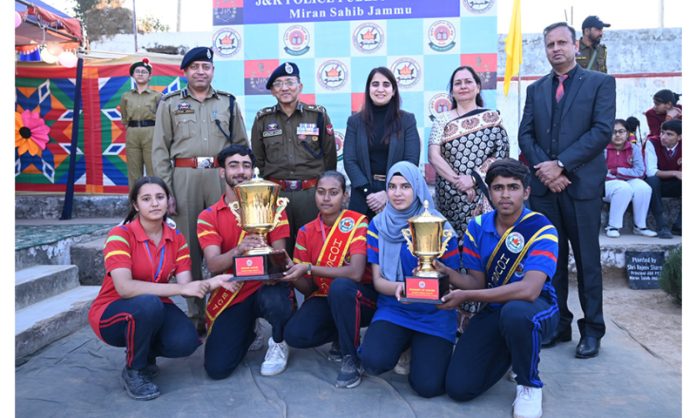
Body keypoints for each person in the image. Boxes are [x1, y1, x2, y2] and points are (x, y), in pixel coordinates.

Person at [518, 22, 616, 359]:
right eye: (549, 44)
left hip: (582, 188)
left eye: (562, 42)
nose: (556, 49)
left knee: (588, 262)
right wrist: (547, 170)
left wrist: (561, 164)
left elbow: (602, 131)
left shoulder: (600, 83)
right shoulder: (536, 90)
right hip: (547, 190)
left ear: (575, 45)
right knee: (552, 262)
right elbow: (525, 136)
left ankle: (592, 331)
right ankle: (558, 324)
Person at [88, 176, 234, 400]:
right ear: (136, 205)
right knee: (148, 305)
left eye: (159, 197)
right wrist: (179, 290)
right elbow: (125, 288)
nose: (155, 203)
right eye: (146, 199)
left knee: (187, 341)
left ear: (168, 201)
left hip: (154, 307)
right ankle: (134, 369)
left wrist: (211, 283)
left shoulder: (176, 239)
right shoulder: (120, 235)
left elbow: (187, 286)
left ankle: (143, 353)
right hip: (112, 312)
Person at [434, 159, 559, 418]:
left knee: (515, 314)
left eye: (512, 187)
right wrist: (448, 274)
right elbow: (477, 283)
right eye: (497, 187)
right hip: (495, 310)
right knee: (459, 388)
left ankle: (528, 382)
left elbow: (529, 291)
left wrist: (466, 296)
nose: (505, 195)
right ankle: (512, 352)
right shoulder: (477, 227)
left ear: (526, 192)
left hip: (537, 309)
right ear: (489, 192)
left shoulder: (542, 229)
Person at [152, 46, 248, 334]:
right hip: (185, 179)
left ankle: (230, 310)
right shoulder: (169, 104)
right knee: (189, 249)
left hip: (222, 178)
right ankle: (195, 317)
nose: (200, 71)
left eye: (206, 66)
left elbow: (241, 147)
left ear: (213, 71)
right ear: (185, 72)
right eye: (194, 67)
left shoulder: (228, 102)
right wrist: (166, 191)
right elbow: (159, 150)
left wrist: (241, 183)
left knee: (229, 242)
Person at [358, 161, 460, 398]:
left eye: (405, 186)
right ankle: (402, 345)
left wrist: (430, 284)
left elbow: (453, 281)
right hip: (395, 309)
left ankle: (420, 347)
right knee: (372, 362)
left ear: (417, 188)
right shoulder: (378, 225)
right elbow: (378, 281)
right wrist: (402, 288)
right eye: (392, 186)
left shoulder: (440, 226)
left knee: (428, 387)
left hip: (434, 313)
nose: (397, 193)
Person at [197, 144, 296, 379]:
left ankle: (279, 341)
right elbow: (213, 264)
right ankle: (249, 332)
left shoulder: (273, 206)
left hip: (265, 288)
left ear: (253, 171)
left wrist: (275, 268)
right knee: (217, 369)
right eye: (233, 165)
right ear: (222, 172)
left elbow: (279, 255)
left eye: (246, 165)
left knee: (277, 299)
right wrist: (238, 250)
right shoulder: (208, 216)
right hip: (233, 292)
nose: (240, 171)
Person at [282, 171, 377, 389]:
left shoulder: (357, 223)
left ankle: (350, 356)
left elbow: (355, 273)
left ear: (345, 196)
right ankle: (342, 333)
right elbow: (308, 288)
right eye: (321, 192)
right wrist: (291, 272)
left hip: (360, 297)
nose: (326, 198)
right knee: (295, 335)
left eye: (333, 193)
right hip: (324, 296)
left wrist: (309, 267)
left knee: (342, 288)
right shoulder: (306, 231)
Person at [251, 62, 337, 256]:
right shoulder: (263, 119)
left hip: (310, 193)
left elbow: (329, 156)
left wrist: (323, 190)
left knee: (313, 248)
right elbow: (258, 161)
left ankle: (313, 286)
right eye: (279, 84)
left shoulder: (317, 115)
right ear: (273, 91)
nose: (285, 88)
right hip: (277, 195)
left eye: (290, 82)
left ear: (300, 86)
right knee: (279, 252)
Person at [428, 65, 510, 242]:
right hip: (450, 194)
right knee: (451, 246)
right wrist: (459, 182)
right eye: (458, 83)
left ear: (478, 87)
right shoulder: (442, 119)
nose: (463, 86)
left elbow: (501, 154)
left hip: (483, 191)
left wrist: (473, 179)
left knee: (483, 243)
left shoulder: (492, 118)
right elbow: (433, 155)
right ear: (452, 91)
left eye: (468, 82)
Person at [344, 67, 420, 219]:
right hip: (362, 196)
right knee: (361, 242)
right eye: (375, 84)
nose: (380, 89)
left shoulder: (407, 120)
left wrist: (388, 192)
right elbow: (349, 160)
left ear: (393, 91)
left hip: (397, 196)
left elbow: (411, 161)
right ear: (368, 89)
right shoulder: (354, 122)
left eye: (386, 84)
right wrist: (369, 193)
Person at [603, 119, 657, 238]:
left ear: (627, 133)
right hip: (606, 185)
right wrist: (620, 175)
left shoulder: (633, 148)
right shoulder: (603, 148)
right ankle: (613, 226)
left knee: (644, 188)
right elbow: (600, 172)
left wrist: (617, 171)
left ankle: (640, 226)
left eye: (621, 131)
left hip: (626, 181)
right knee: (623, 188)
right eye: (614, 132)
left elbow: (640, 171)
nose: (617, 135)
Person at [120, 58, 159, 190]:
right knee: (134, 172)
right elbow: (124, 118)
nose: (141, 74)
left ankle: (156, 200)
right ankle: (135, 205)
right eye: (137, 71)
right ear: (133, 75)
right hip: (132, 133)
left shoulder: (157, 96)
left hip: (151, 132)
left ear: (150, 76)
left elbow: (162, 118)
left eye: (144, 71)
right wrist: (132, 129)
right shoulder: (126, 96)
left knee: (153, 169)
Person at [645, 119, 682, 238]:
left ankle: (680, 225)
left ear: (680, 137)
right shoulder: (652, 142)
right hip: (658, 185)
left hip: (676, 185)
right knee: (652, 180)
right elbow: (651, 171)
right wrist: (675, 173)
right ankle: (662, 225)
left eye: (669, 134)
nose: (663, 137)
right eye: (662, 132)